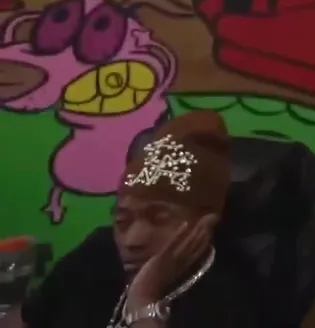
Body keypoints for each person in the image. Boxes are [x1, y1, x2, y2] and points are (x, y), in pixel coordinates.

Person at [2, 111, 263, 328]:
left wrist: (144, 302)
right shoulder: (98, 251)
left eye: (159, 219)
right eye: (122, 221)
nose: (133, 240)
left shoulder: (232, 295)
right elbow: (27, 321)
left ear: (204, 224)